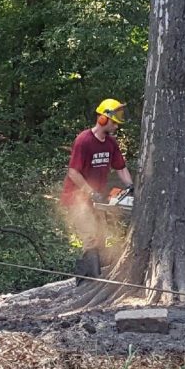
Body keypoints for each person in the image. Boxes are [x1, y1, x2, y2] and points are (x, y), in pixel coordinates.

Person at [60, 98, 134, 282]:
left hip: (97, 201)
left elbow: (121, 168)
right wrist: (89, 191)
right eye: (114, 121)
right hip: (77, 199)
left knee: (100, 238)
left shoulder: (110, 143)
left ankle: (92, 277)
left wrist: (130, 187)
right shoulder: (84, 141)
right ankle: (88, 281)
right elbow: (73, 172)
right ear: (103, 119)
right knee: (91, 237)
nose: (117, 125)